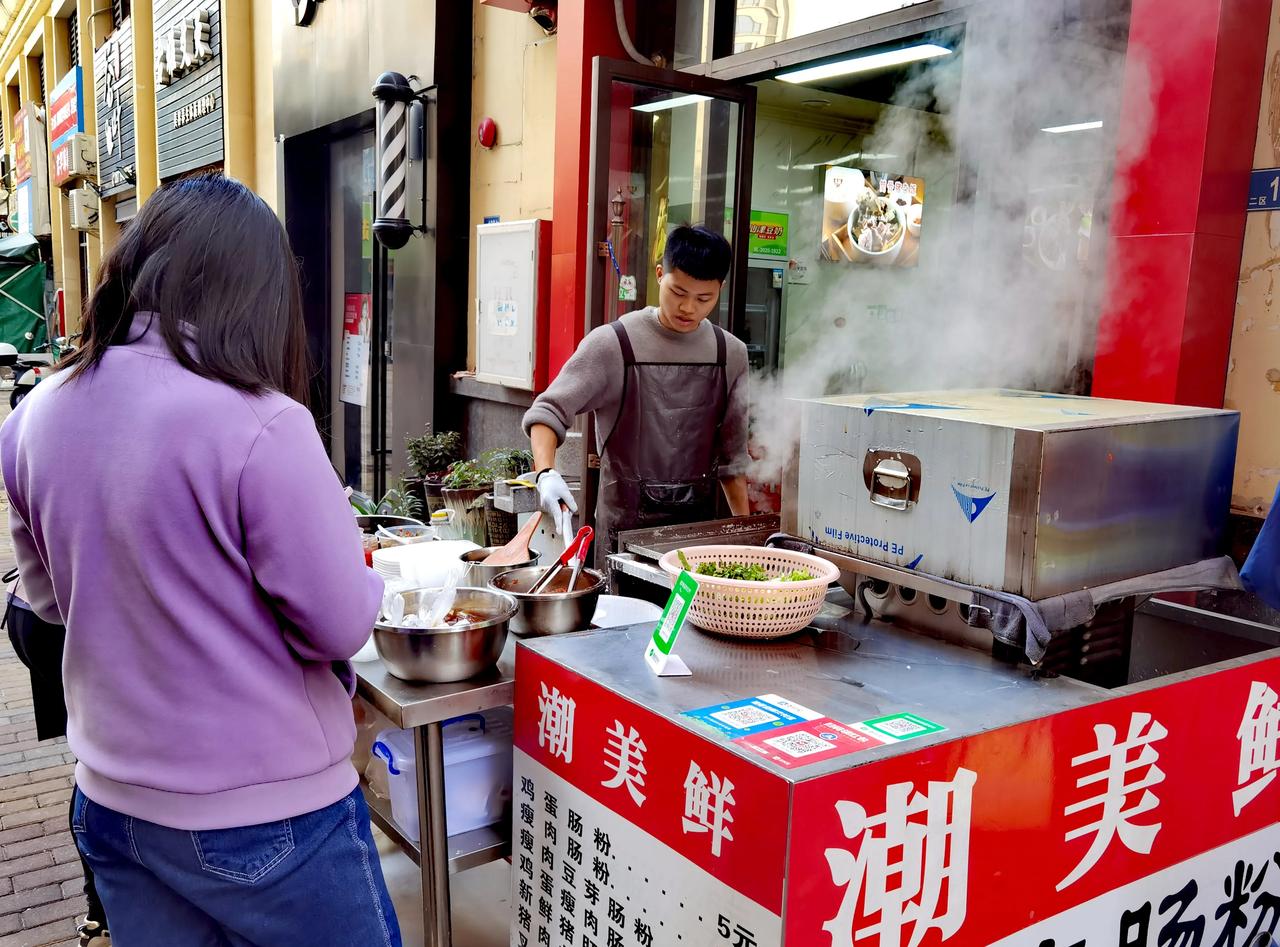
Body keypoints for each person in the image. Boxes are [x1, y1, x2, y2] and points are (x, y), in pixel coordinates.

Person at [0, 175, 400, 946]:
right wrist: (367, 565)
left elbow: (49, 602)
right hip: (268, 817)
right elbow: (342, 620)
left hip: (114, 806)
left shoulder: (33, 417)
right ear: (259, 297)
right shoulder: (260, 423)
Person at [524, 225, 750, 564]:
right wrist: (546, 474)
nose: (688, 307)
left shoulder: (730, 353)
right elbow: (548, 411)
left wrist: (745, 538)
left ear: (721, 289)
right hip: (623, 543)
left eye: (704, 299)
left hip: (699, 544)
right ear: (660, 274)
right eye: (678, 291)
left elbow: (733, 461)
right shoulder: (614, 343)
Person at [3, 574, 109, 946]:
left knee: (95, 762)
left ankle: (101, 918)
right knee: (109, 765)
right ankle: (105, 917)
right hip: (76, 616)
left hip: (33, 608)